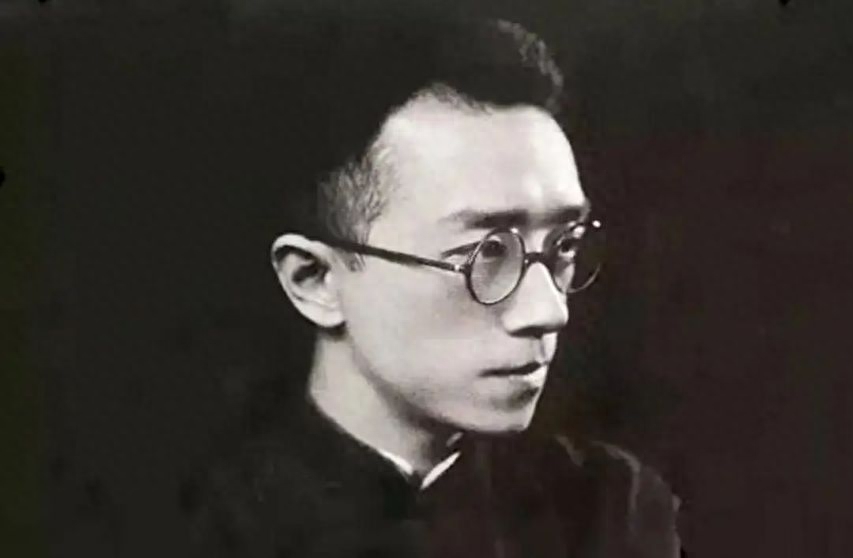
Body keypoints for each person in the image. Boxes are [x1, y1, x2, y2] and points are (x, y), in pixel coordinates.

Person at [185, 9, 681, 558]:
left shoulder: (612, 511)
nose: (550, 310)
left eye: (564, 245)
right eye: (486, 253)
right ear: (315, 279)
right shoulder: (197, 528)